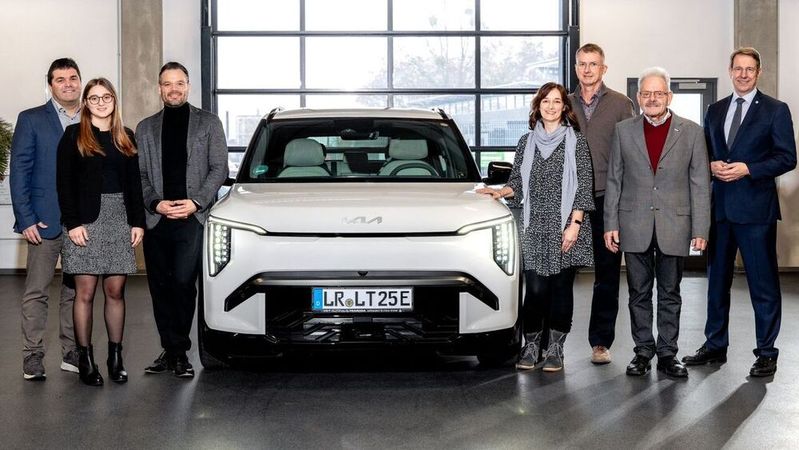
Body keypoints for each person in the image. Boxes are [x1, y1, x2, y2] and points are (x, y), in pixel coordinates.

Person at [683, 47, 796, 377]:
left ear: (758, 73)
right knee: (716, 283)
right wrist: (710, 163)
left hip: (756, 212)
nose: (744, 74)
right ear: (730, 71)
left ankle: (766, 352)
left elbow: (788, 157)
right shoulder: (716, 110)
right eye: (738, 68)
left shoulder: (775, 110)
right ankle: (715, 345)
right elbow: (704, 151)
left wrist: (749, 168)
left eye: (750, 69)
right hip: (720, 211)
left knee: (763, 286)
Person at [478, 82, 594, 372]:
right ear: (538, 106)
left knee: (561, 290)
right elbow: (517, 183)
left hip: (567, 224)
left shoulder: (576, 141)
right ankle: (531, 347)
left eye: (557, 102)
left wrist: (575, 224)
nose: (552, 106)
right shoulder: (525, 142)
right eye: (546, 101)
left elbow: (583, 186)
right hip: (534, 225)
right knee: (536, 291)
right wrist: (498, 192)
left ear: (564, 108)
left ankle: (555, 350)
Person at [604, 67, 711, 378]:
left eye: (658, 93)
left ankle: (667, 353)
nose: (652, 99)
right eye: (646, 94)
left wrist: (700, 229)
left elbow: (700, 184)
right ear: (639, 98)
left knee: (670, 292)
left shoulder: (691, 132)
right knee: (637, 292)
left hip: (674, 226)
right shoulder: (624, 130)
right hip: (633, 223)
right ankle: (642, 351)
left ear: (669, 96)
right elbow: (614, 180)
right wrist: (611, 223)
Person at [136, 62, 228, 378]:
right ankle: (172, 350)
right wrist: (155, 204)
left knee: (183, 284)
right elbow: (142, 175)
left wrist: (196, 202)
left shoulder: (209, 123)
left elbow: (219, 169)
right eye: (167, 84)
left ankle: (180, 351)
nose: (173, 89)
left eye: (179, 83)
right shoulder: (145, 128)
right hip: (157, 219)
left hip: (193, 218)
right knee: (160, 288)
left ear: (187, 86)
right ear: (159, 88)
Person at [56, 78, 145, 386]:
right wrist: (73, 224)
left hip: (120, 220)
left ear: (114, 100)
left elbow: (134, 185)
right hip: (85, 222)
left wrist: (138, 223)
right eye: (94, 98)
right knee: (85, 293)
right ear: (86, 103)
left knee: (115, 292)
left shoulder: (126, 136)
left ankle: (115, 357)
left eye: (106, 97)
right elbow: (64, 184)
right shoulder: (73, 136)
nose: (101, 102)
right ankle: (86, 359)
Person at [10, 58, 81, 381]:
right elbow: (20, 172)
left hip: (82, 223)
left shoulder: (92, 118)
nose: (68, 84)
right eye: (60, 79)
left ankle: (71, 351)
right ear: (50, 84)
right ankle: (32, 355)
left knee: (75, 290)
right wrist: (25, 217)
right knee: (37, 291)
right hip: (43, 221)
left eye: (73, 78)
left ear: (80, 82)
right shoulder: (31, 119)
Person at [567, 43, 636, 365]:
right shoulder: (563, 104)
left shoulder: (622, 105)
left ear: (603, 69)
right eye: (582, 64)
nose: (587, 70)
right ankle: (554, 340)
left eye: (593, 64)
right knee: (561, 272)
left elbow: (633, 154)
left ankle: (600, 342)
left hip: (608, 200)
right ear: (576, 67)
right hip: (568, 201)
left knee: (606, 275)